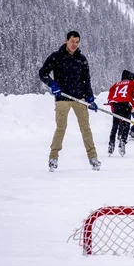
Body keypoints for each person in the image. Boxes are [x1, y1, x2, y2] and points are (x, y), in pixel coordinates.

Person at [39, 30, 101, 171]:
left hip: (80, 98)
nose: (75, 44)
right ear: (66, 41)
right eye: (72, 41)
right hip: (62, 99)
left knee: (86, 128)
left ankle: (93, 158)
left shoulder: (82, 59)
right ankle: (53, 158)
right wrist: (52, 84)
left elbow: (86, 81)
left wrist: (90, 98)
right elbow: (42, 73)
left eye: (77, 42)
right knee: (61, 128)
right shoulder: (56, 57)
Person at [106, 70, 134, 156]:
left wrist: (113, 108)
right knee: (126, 124)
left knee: (114, 126)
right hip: (126, 105)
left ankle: (111, 144)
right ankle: (122, 142)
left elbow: (110, 98)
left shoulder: (116, 84)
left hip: (116, 105)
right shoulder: (133, 83)